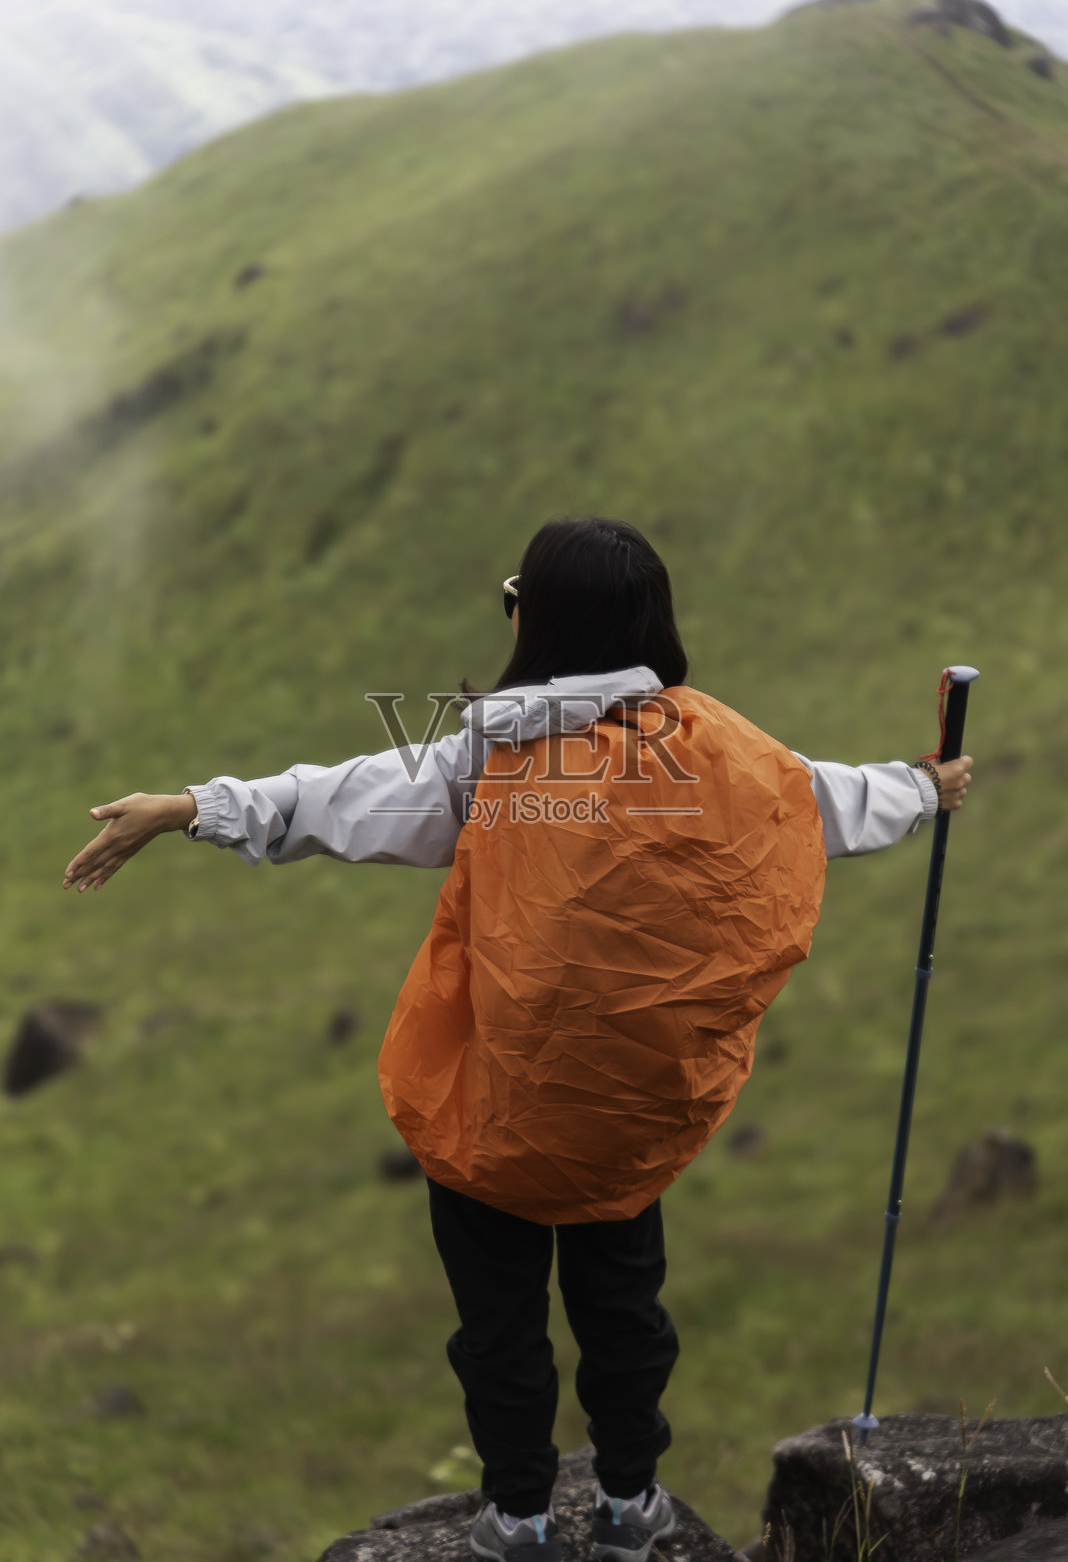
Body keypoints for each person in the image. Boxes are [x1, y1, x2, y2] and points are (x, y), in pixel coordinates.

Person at [63, 517, 972, 1562]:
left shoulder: (500, 758)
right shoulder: (722, 749)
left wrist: (190, 808)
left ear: (533, 622)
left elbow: (339, 800)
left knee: (499, 1330)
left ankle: (521, 1519)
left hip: (492, 1115)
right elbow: (825, 799)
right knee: (626, 1314)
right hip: (628, 1122)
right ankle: (633, 1504)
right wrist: (926, 786)